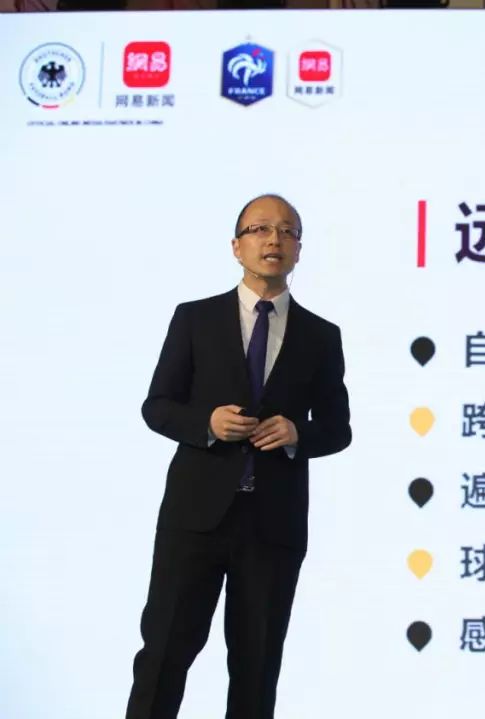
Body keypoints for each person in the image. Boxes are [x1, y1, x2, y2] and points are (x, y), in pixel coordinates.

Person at [126, 194, 351, 719]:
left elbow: (338, 429)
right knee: (163, 654)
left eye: (288, 231)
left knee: (256, 667)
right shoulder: (195, 319)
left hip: (272, 525)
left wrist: (297, 433)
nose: (274, 240)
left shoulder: (322, 336)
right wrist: (206, 424)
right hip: (194, 519)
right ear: (236, 246)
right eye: (261, 229)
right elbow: (157, 406)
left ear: (299, 250)